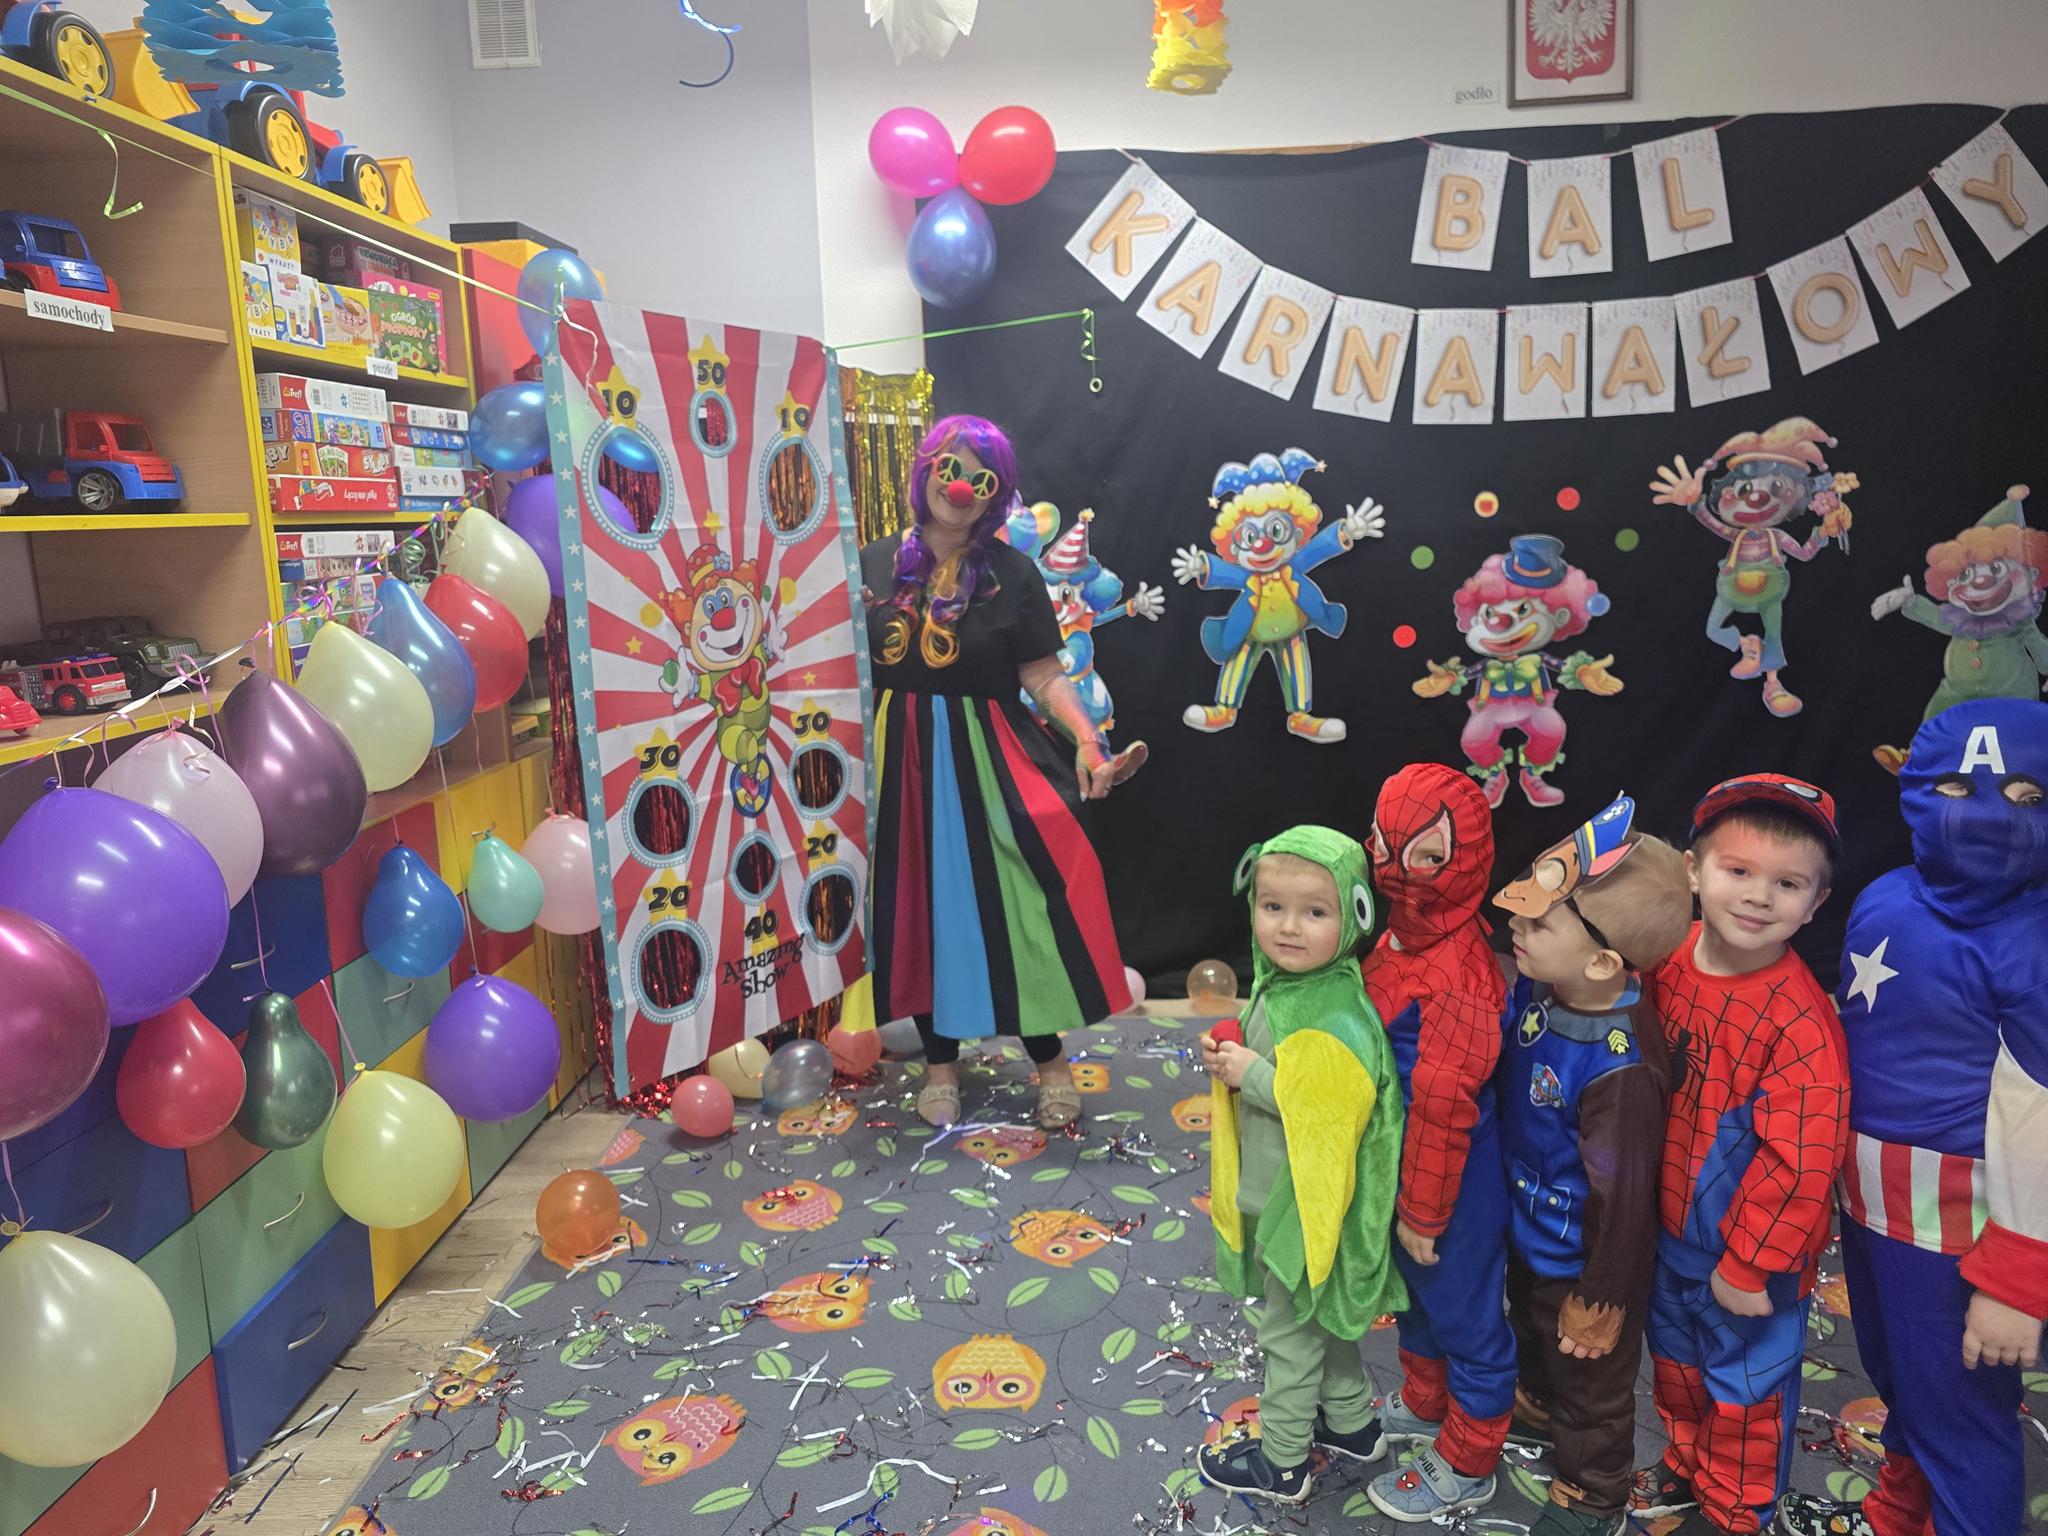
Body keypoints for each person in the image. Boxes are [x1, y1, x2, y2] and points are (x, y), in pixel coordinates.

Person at [1776, 699, 2048, 1536]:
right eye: (1960, 787)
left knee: (1961, 1418)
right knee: (1902, 1382)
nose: (1990, 815)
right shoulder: (1884, 898)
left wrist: (2018, 1276)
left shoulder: (2034, 946)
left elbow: (2039, 1117)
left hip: (1963, 1229)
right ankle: (1898, 1516)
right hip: (1867, 1207)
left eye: (2028, 796)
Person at [861, 415, 1140, 1132]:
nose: (961, 487)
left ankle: (1050, 1062)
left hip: (988, 758)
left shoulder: (1013, 573)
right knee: (920, 909)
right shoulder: (872, 563)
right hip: (899, 764)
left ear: (996, 495)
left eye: (981, 479)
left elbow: (1043, 675)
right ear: (925, 469)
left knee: (1021, 905)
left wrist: (1087, 739)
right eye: (950, 468)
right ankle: (940, 1065)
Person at [1631, 774, 1850, 1536]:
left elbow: (1802, 1161)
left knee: (1747, 1388)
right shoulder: (1666, 961)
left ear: (1816, 903)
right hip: (1667, 1230)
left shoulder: (1801, 1024)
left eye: (1787, 883)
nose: (1758, 896)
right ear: (1694, 871)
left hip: (1748, 1261)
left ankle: (1735, 1510)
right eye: (1739, 870)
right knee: (1677, 1367)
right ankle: (1689, 1463)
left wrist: (1751, 1264)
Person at [1493, 796, 1693, 1536]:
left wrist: (1601, 1297)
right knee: (1535, 1339)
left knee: (1592, 1384)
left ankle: (1594, 1492)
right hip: (1530, 1227)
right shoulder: (1548, 985)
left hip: (1584, 1263)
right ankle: (1539, 1406)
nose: (1517, 926)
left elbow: (1626, 1194)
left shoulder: (1621, 1070)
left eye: (1540, 924)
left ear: (1604, 961)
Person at [1197, 826, 1407, 1504]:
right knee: (1320, 1322)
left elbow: (1331, 1106)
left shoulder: (1335, 1008)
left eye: (1315, 912)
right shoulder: (1285, 985)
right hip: (1276, 1192)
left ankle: (1283, 1462)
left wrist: (1254, 1075)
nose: (1288, 927)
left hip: (1307, 1211)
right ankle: (1352, 1425)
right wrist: (1235, 1055)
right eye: (1272, 906)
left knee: (1288, 1336)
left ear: (1355, 916)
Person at [1359, 763, 1516, 1521]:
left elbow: (1445, 1103)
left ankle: (1470, 1457)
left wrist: (1424, 1210)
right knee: (1413, 1300)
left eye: (1426, 856)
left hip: (1450, 1180)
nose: (1399, 871)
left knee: (1464, 1313)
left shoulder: (1460, 973)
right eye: (1386, 848)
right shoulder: (1397, 936)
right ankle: (1426, 1403)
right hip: (1398, 1158)